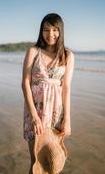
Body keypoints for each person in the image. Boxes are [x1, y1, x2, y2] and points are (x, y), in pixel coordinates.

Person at [21, 13, 74, 174]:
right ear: (41, 31)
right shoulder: (33, 51)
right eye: (46, 30)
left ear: (60, 31)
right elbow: (25, 84)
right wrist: (35, 117)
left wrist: (68, 120)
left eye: (55, 29)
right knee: (37, 161)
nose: (50, 34)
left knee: (53, 163)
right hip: (35, 112)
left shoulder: (67, 55)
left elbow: (66, 88)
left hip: (56, 114)